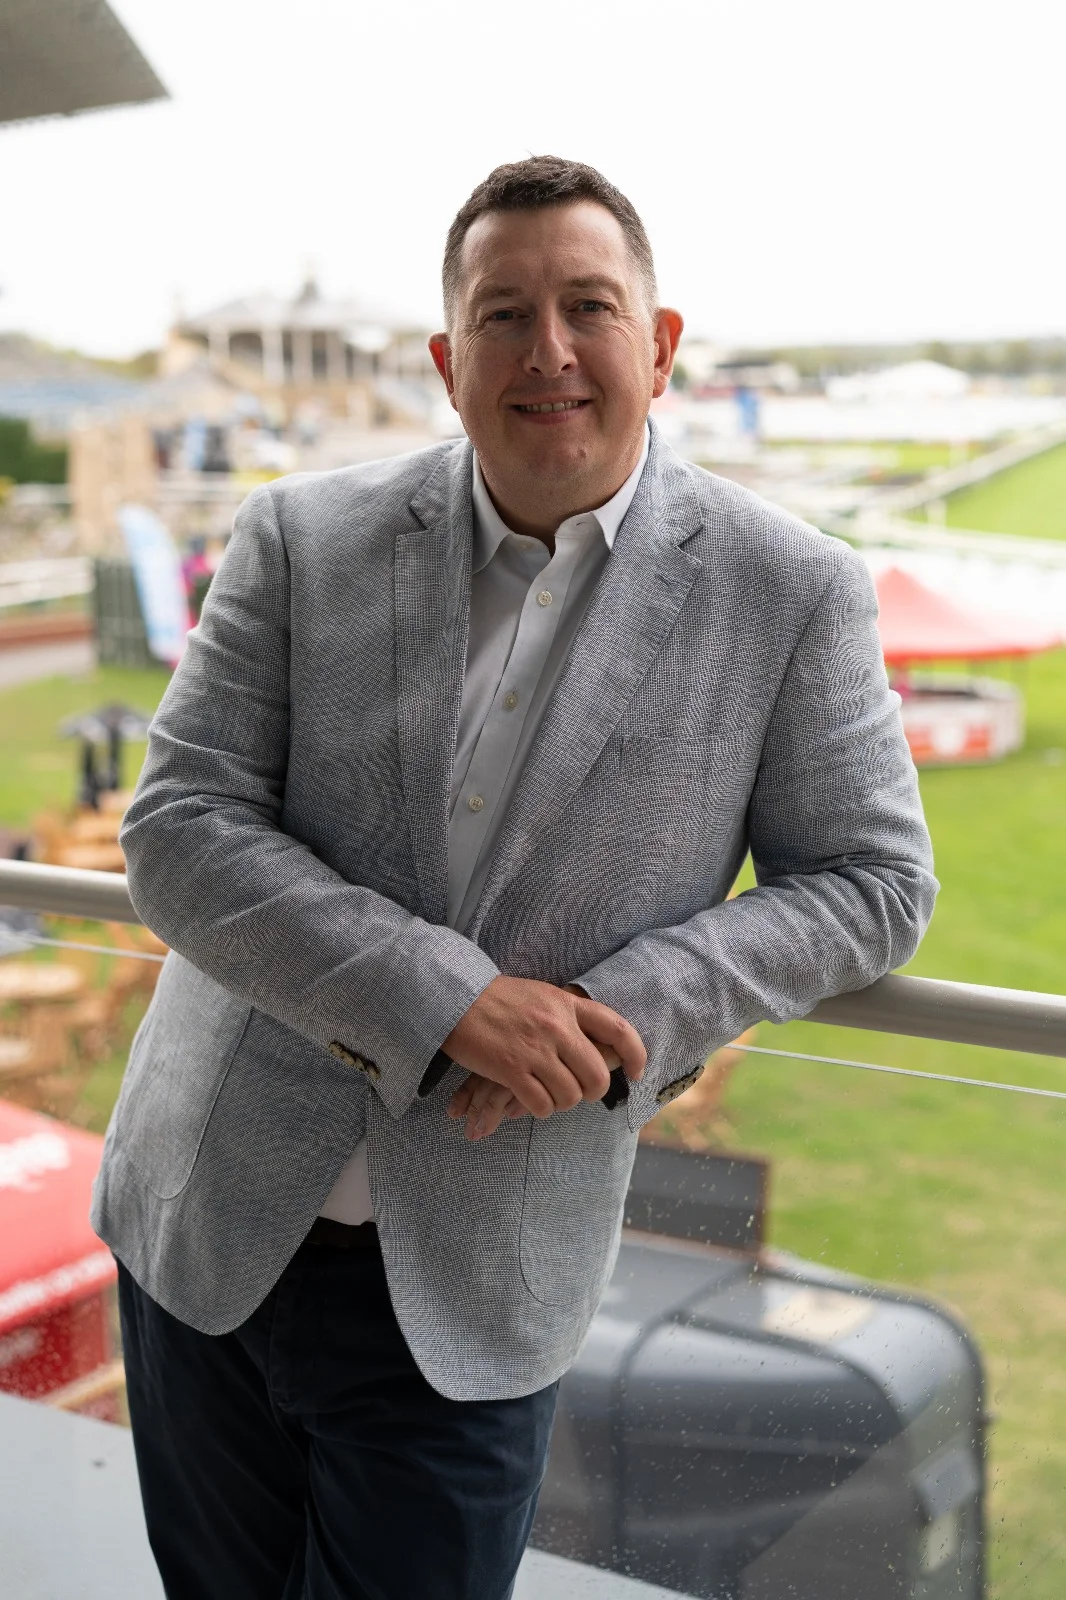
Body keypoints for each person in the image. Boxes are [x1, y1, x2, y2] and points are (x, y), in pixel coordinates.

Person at [92, 155, 936, 1600]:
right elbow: (177, 824)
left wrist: (627, 1010)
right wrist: (448, 1003)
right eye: (503, 315)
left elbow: (871, 881)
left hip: (481, 1289)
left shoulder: (789, 590)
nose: (548, 349)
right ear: (447, 361)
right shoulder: (300, 538)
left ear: (660, 346)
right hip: (206, 1229)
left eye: (589, 306)